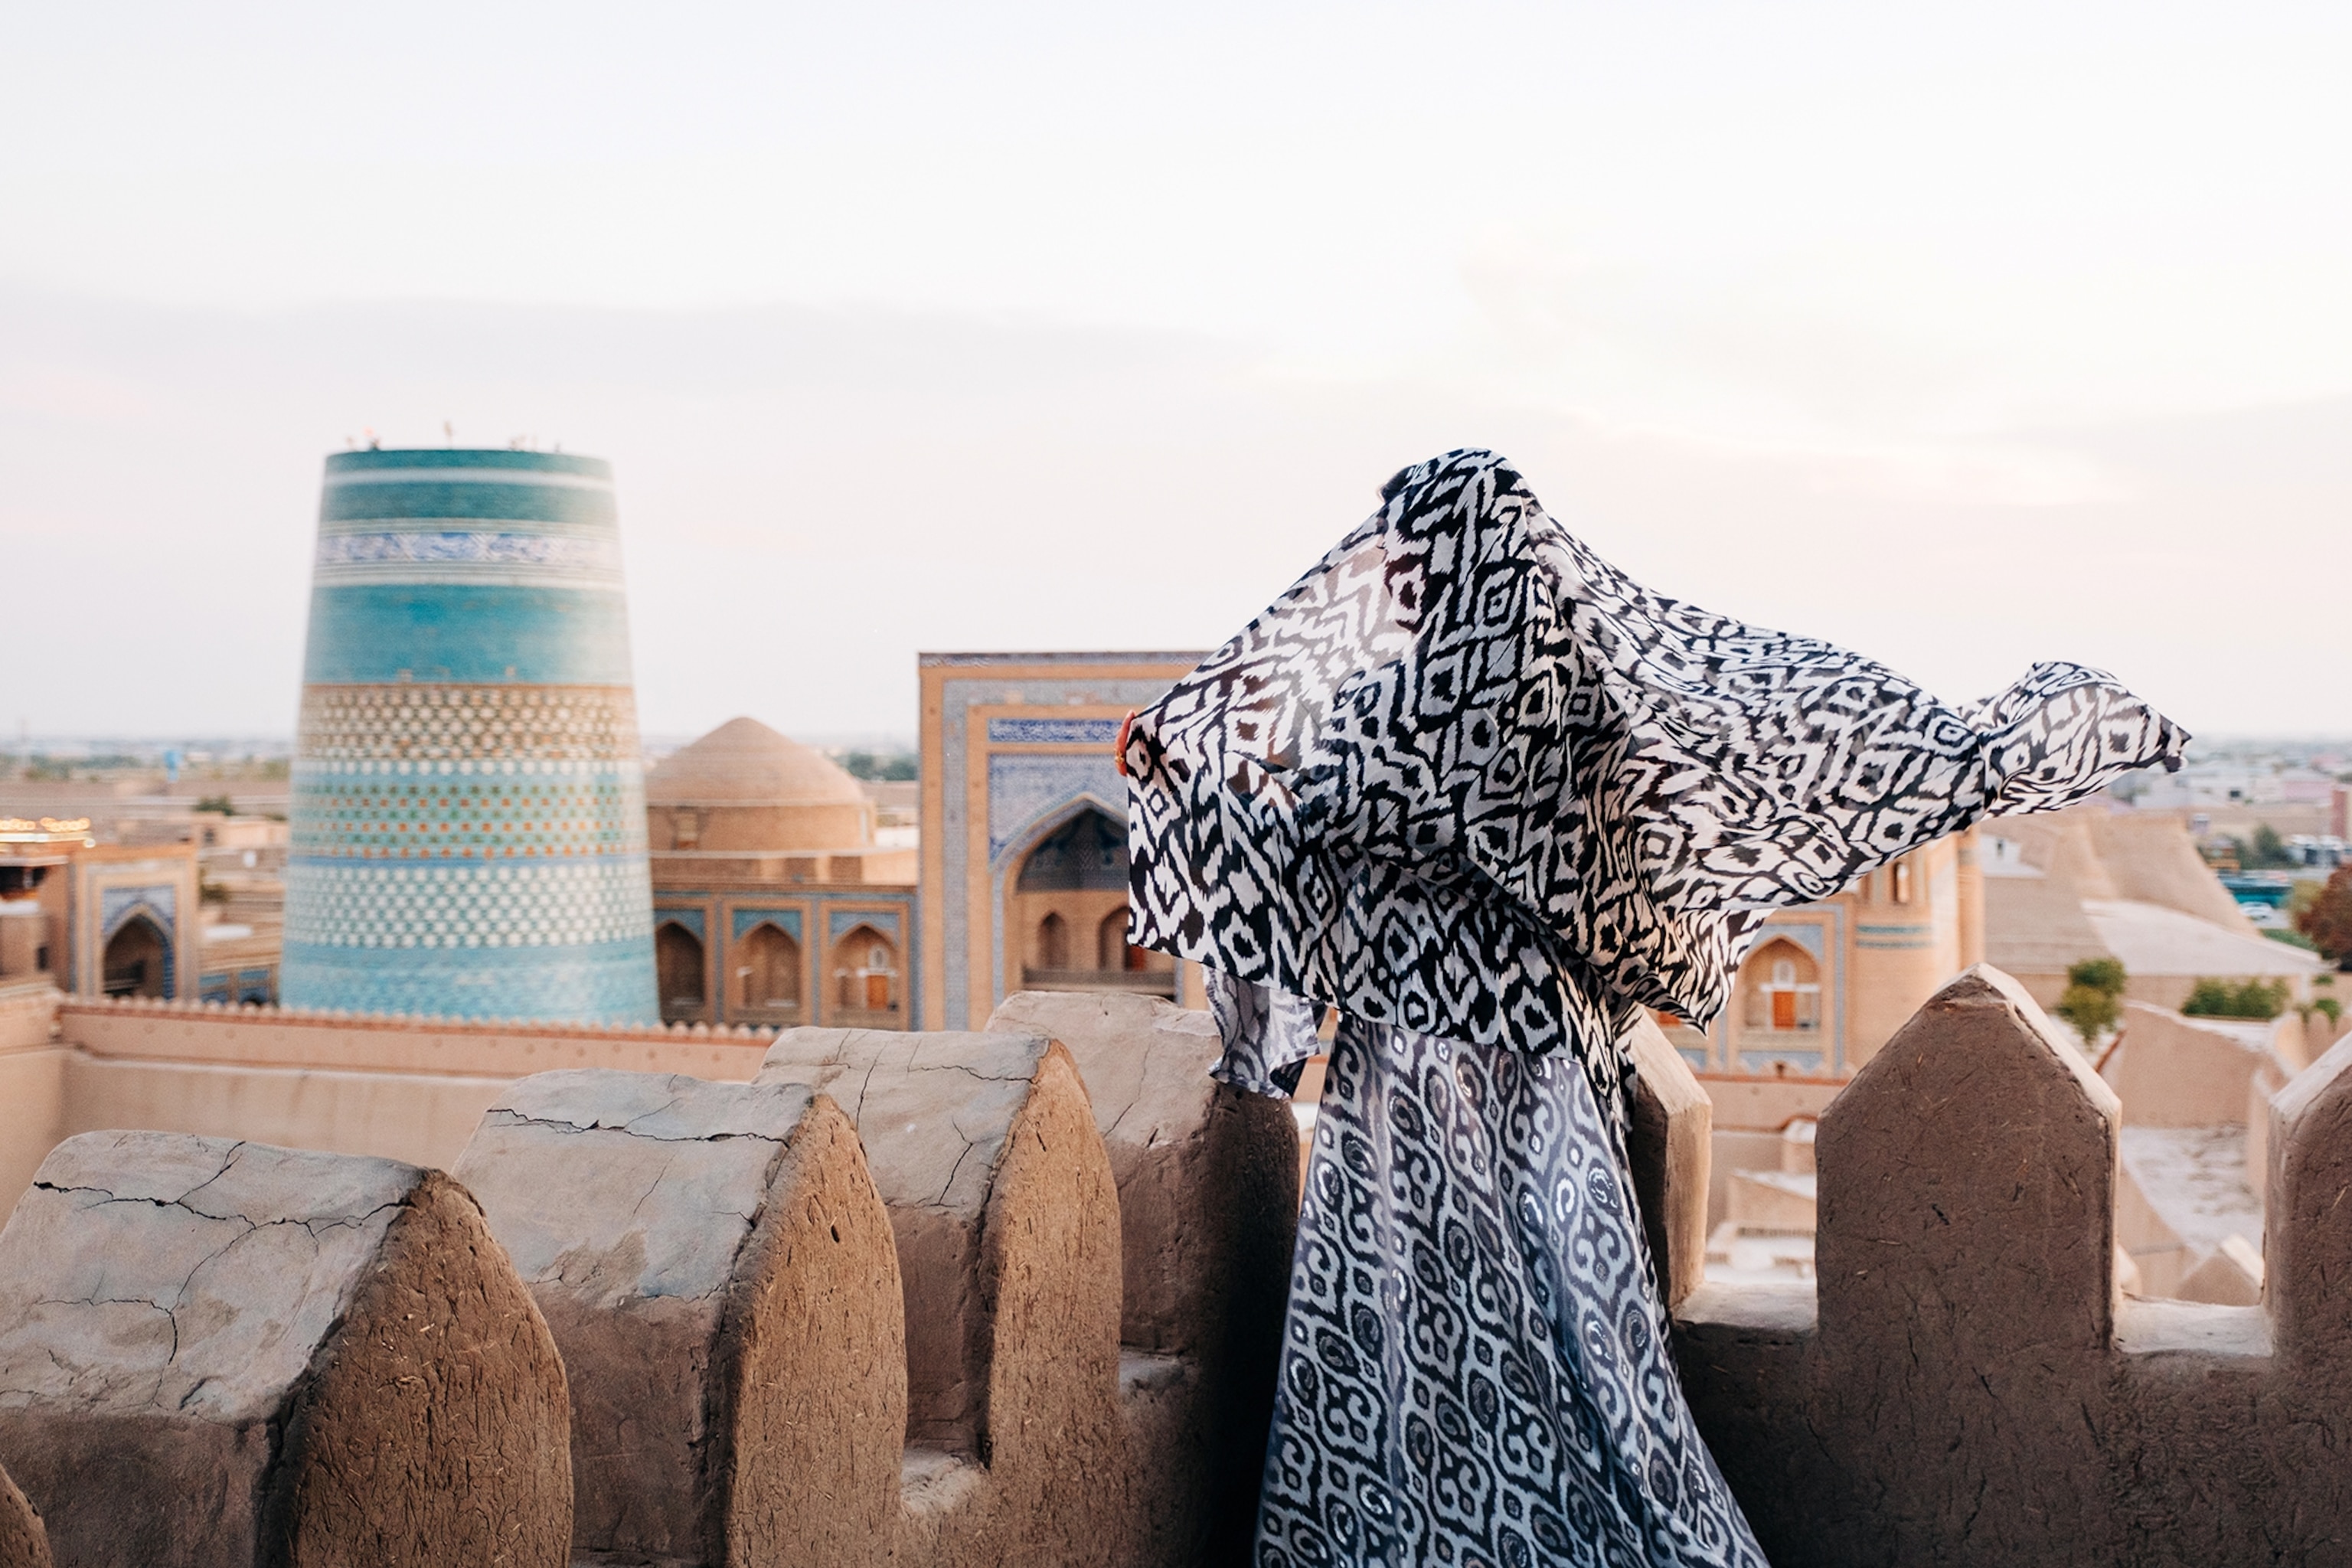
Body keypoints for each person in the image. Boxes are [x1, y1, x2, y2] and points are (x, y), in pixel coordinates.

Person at [1119, 449, 2184, 1567]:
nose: (1391, 575)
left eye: (1406, 551)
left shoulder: (1395, 713)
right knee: (1580, 1337)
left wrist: (1170, 775)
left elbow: (1299, 854)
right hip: (1556, 1070)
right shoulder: (1585, 708)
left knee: (1423, 1330)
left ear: (1437, 562)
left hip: (1422, 1076)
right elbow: (1731, 759)